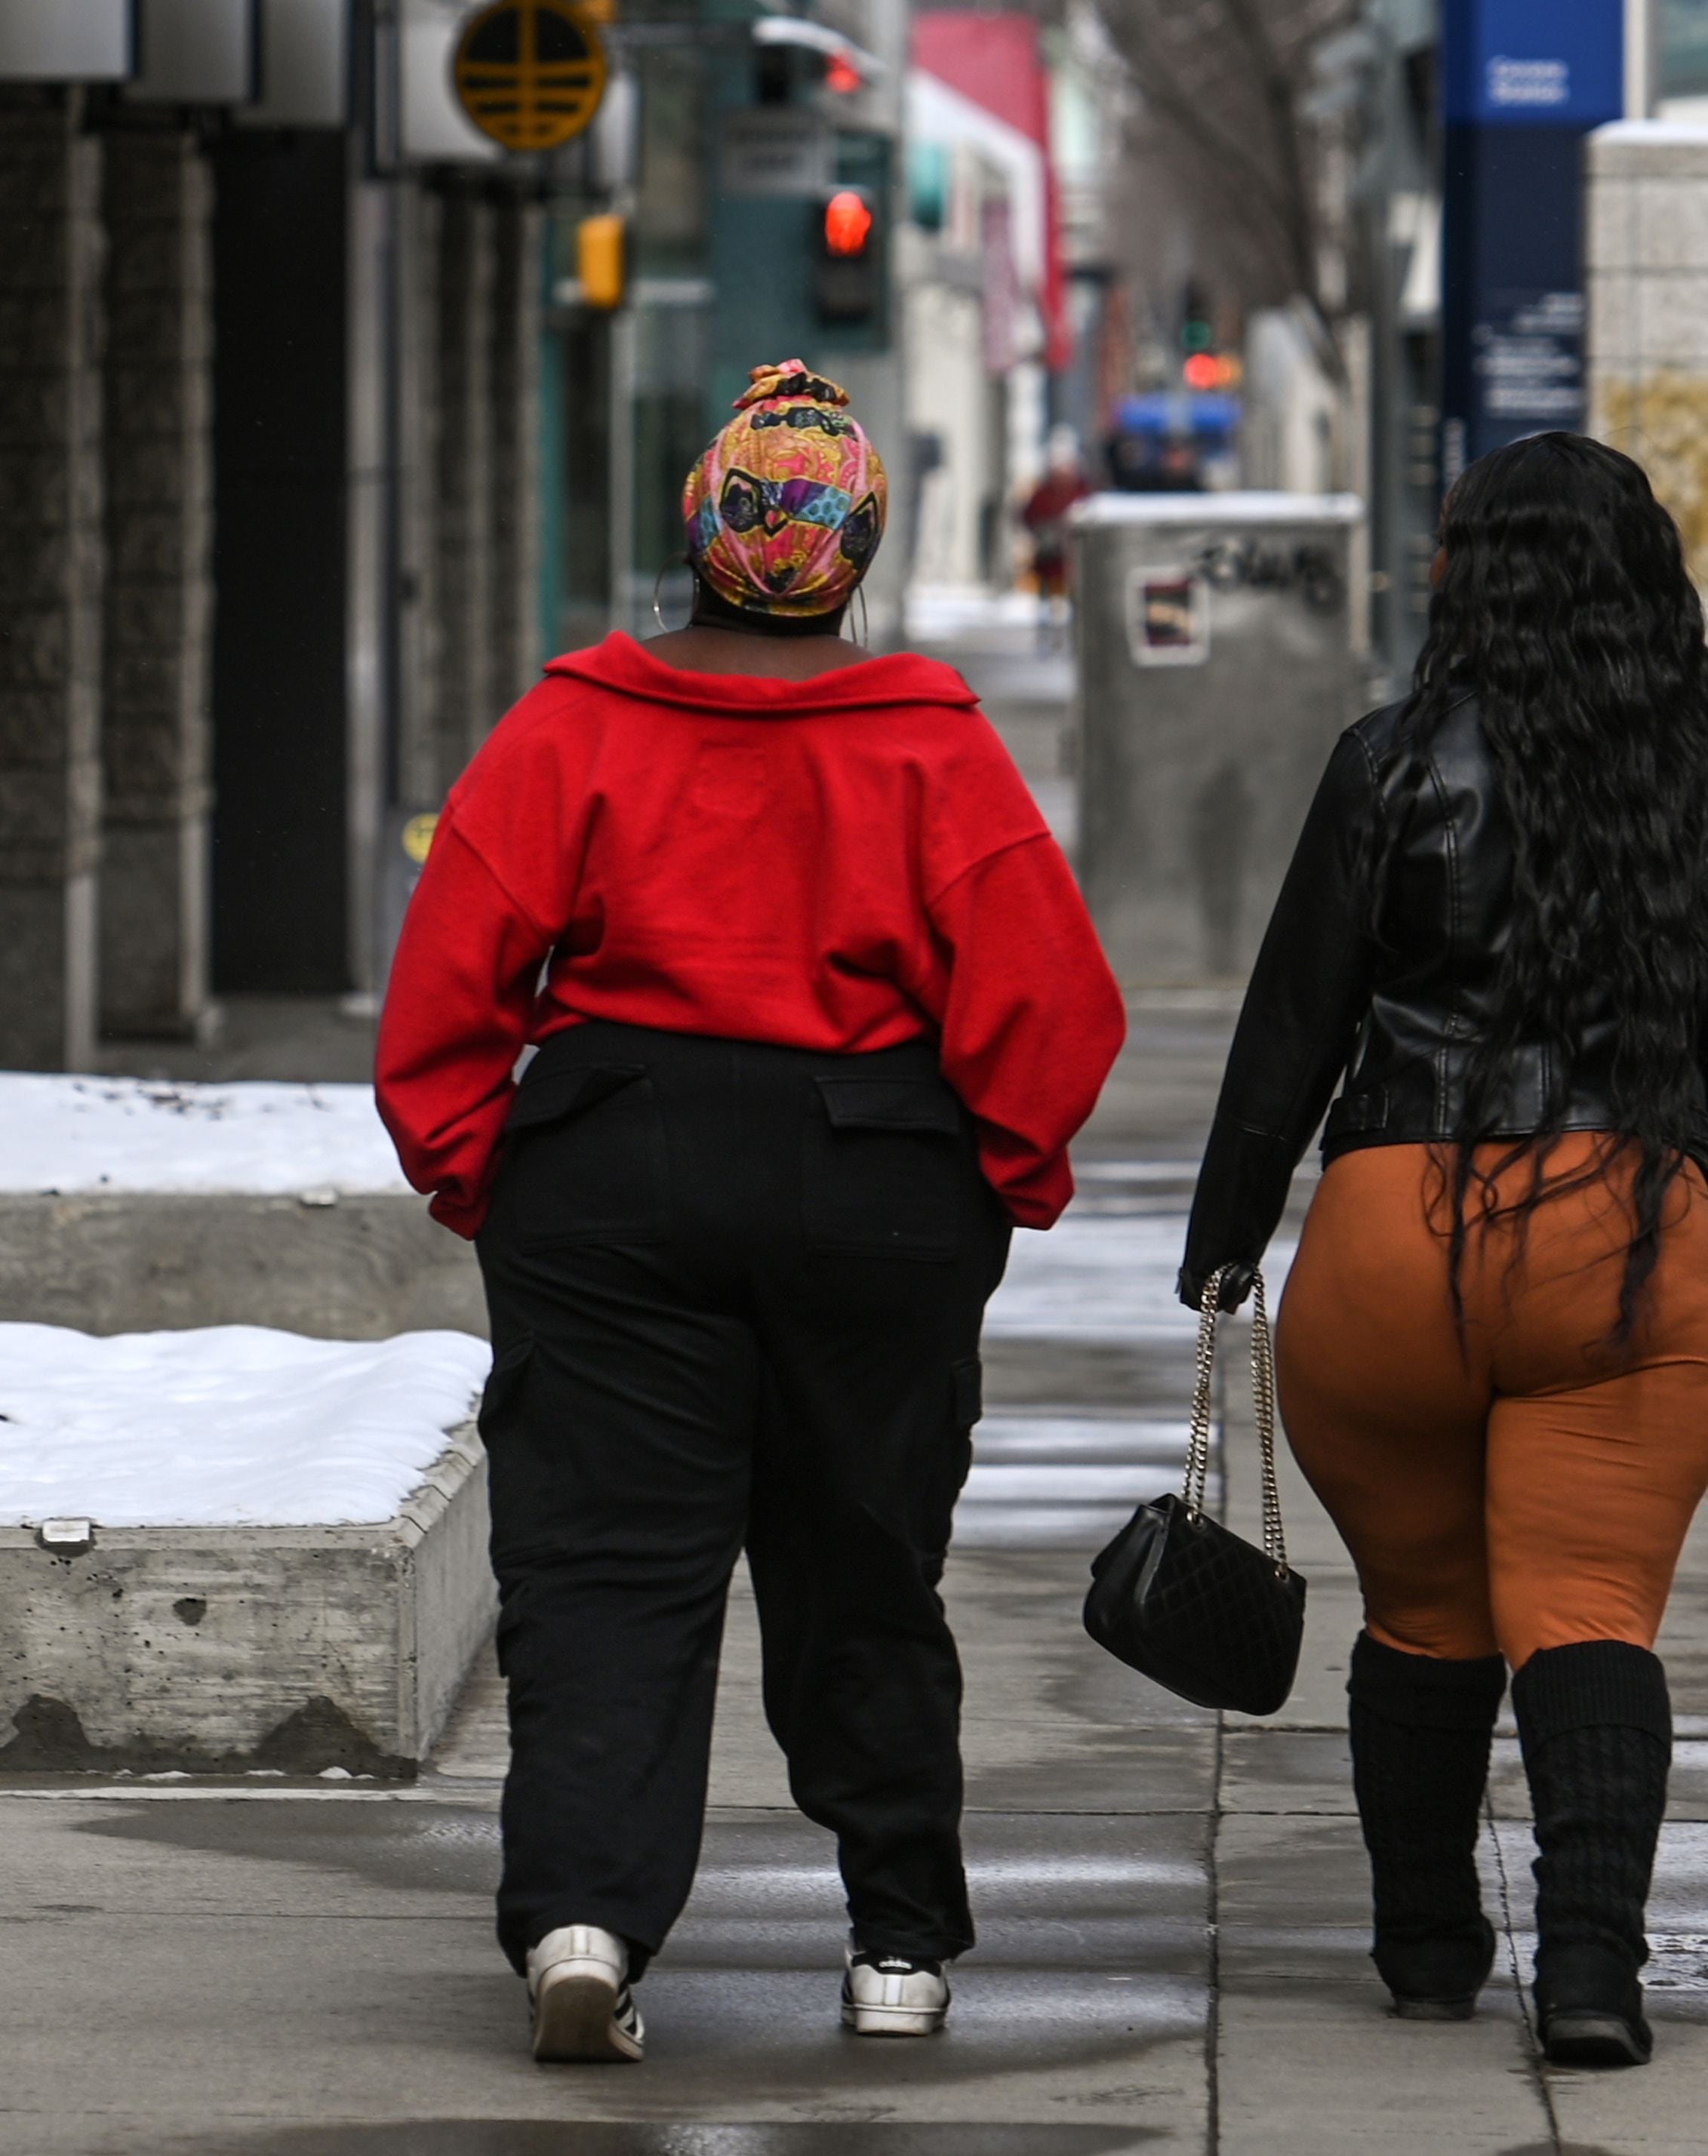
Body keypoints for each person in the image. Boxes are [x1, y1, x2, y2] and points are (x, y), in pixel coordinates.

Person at [376, 360, 1126, 2066]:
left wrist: (477, 1163)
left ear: (700, 537)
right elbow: (1050, 1007)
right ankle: (895, 1943)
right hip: (871, 1184)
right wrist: (996, 1176)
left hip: (615, 1166)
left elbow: (452, 975)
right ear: (854, 550)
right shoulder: (928, 748)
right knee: (863, 1564)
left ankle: (583, 1915)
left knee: (600, 1573)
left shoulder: (574, 723)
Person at [1177, 432, 1708, 2069]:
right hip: (1623, 1237)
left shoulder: (1385, 760)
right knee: (1585, 1609)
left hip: (1387, 1242)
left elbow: (1287, 1038)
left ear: (1465, 574)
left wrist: (1221, 1251)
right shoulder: (1703, 776)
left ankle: (1421, 1946)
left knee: (1420, 1612)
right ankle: (1588, 1978)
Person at [1020, 426, 1091, 652]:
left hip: (1075, 558)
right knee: (1047, 599)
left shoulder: (1082, 490)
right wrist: (1044, 532)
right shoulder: (1044, 492)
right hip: (1050, 557)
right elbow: (1028, 515)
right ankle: (1047, 636)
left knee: (1076, 600)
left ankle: (1075, 639)